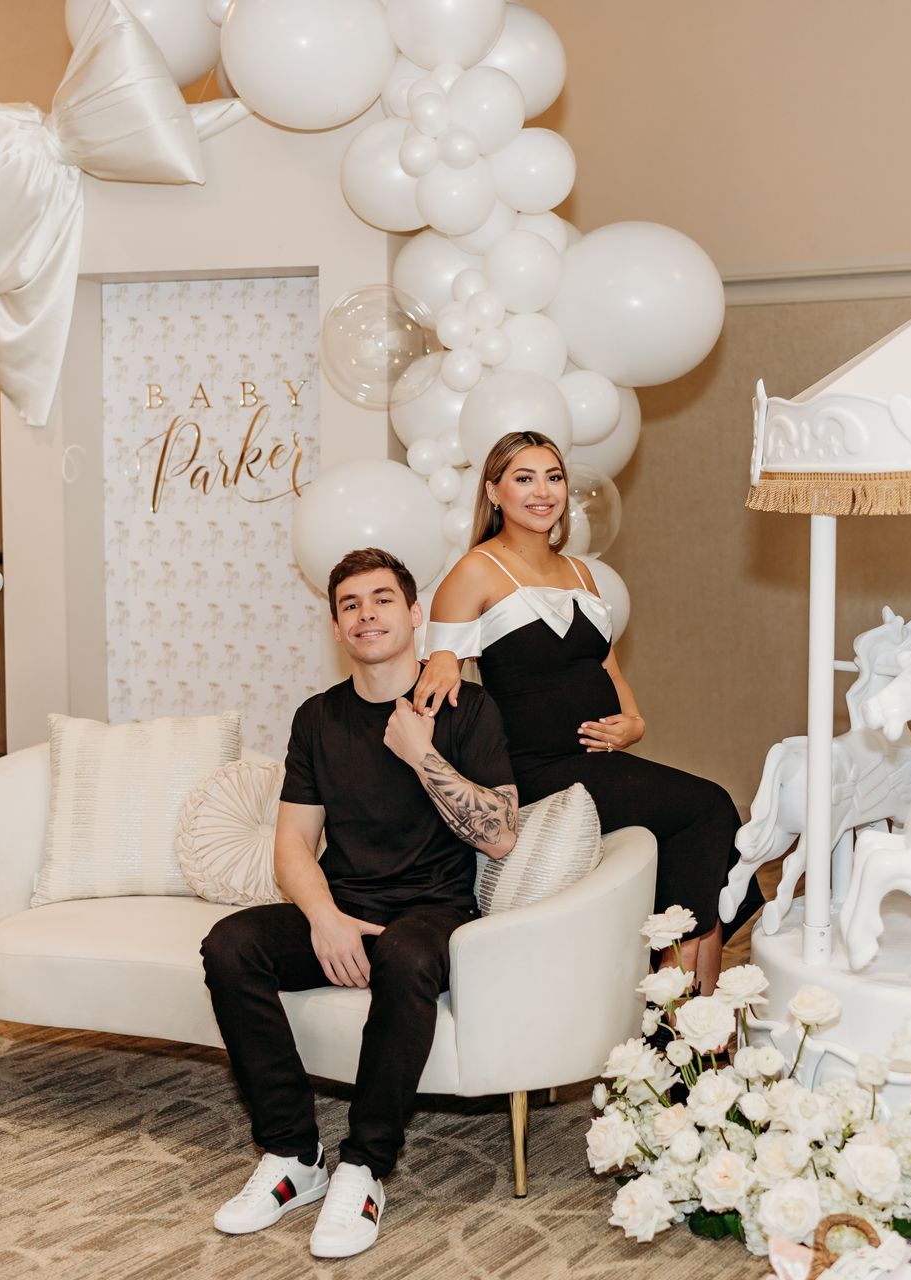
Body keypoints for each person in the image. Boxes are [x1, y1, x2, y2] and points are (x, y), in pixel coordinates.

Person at [200, 546, 518, 1260]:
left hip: (432, 913)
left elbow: (499, 836)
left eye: (382, 600)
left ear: (414, 614)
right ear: (337, 628)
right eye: (350, 605)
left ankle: (365, 1165)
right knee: (230, 945)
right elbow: (291, 846)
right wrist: (325, 918)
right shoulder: (319, 719)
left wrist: (421, 754)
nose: (366, 614)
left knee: (406, 955)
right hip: (344, 908)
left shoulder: (467, 708)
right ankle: (292, 1155)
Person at [412, 430, 760, 994]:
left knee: (701, 832)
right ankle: (679, 1008)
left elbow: (612, 674)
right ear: (494, 491)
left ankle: (696, 1024)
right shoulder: (475, 571)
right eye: (523, 478)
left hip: (597, 762)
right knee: (710, 806)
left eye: (553, 477)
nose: (541, 491)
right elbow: (438, 670)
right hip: (536, 768)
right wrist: (445, 658)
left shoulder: (583, 574)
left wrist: (635, 722)